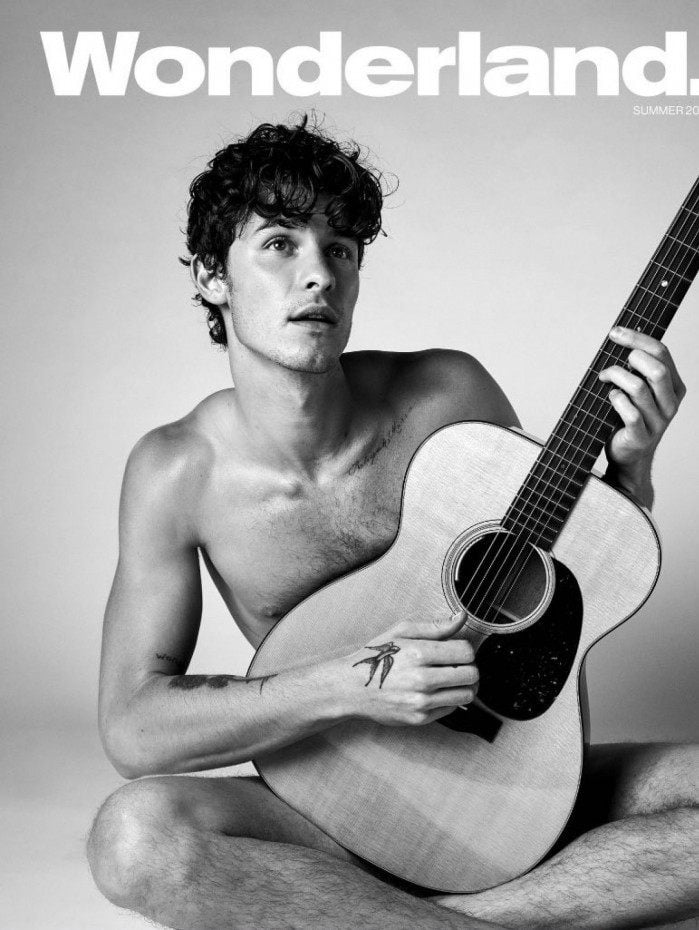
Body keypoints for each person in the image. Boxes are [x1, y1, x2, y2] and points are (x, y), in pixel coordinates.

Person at [87, 117, 697, 930]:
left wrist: (627, 474)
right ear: (211, 276)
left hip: (513, 791)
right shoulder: (176, 472)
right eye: (279, 245)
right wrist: (348, 683)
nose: (318, 275)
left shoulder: (448, 398)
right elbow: (133, 729)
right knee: (133, 839)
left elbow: (552, 582)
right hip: (329, 807)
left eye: (340, 249)